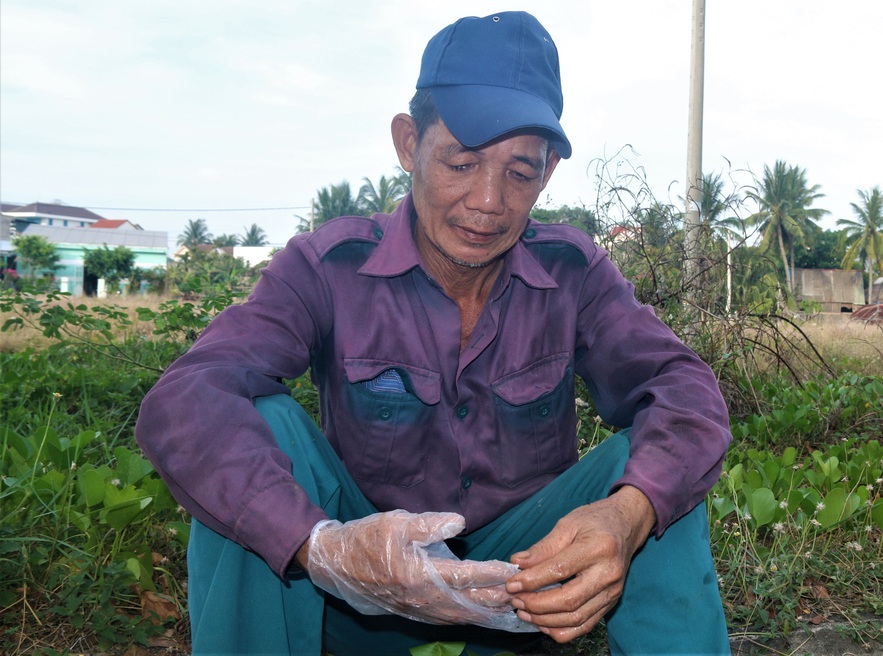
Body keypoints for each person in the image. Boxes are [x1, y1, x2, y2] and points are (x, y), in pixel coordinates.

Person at [136, 10, 732, 656]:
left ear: (549, 173)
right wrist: (322, 547)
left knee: (654, 476)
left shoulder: (575, 273)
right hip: (360, 594)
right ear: (407, 143)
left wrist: (627, 514)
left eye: (520, 172)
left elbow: (686, 391)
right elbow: (184, 398)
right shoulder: (327, 268)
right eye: (461, 162)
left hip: (519, 596)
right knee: (260, 428)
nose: (488, 201)